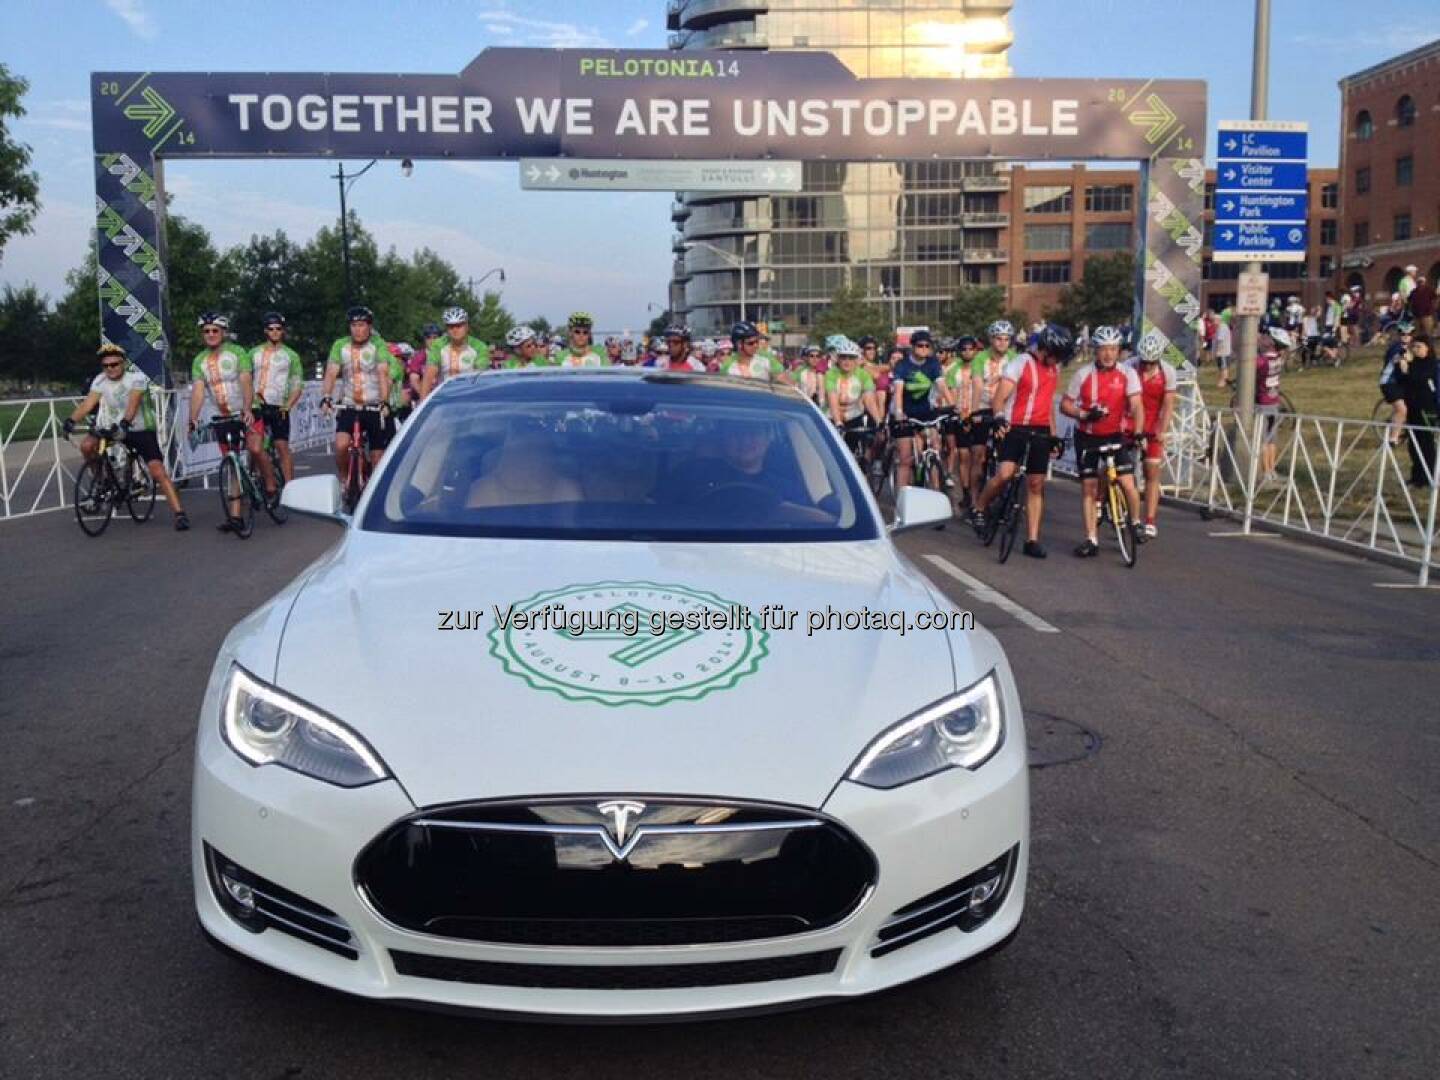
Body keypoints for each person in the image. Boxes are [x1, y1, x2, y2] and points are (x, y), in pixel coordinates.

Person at [972, 323, 1075, 559]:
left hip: (1039, 429)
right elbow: (1000, 397)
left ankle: (1032, 539)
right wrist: (998, 417)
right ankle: (979, 506)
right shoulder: (1021, 363)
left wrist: (1054, 434)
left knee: (1036, 484)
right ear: (1046, 348)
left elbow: (1048, 403)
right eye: (1056, 355)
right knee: (1005, 474)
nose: (1058, 360)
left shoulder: (1054, 369)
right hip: (1014, 426)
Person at [65, 343, 189, 530]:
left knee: (157, 471)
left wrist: (125, 423)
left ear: (123, 363)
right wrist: (70, 421)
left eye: (114, 364)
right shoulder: (100, 380)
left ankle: (179, 513)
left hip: (139, 428)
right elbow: (87, 404)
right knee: (87, 446)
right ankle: (102, 481)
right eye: (106, 366)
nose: (110, 369)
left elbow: (133, 404)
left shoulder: (136, 379)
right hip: (111, 427)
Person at [1060, 326, 1144, 556]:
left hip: (1115, 435)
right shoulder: (1083, 374)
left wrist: (1137, 431)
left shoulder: (1128, 374)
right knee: (1089, 487)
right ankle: (1091, 539)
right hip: (1087, 437)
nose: (1108, 354)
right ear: (1096, 350)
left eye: (1113, 349)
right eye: (1104, 349)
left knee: (1128, 483)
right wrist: (1084, 415)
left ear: (1119, 351)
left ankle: (1136, 522)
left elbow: (1136, 405)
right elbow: (1065, 404)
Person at [187, 312, 254, 531]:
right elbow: (198, 392)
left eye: (215, 331)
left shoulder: (237, 352)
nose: (211, 335)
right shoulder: (199, 360)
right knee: (232, 461)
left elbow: (245, 382)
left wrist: (246, 408)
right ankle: (236, 517)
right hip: (224, 415)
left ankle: (268, 486)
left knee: (256, 450)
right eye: (206, 331)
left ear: (224, 333)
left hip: (246, 409)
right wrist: (193, 418)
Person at [322, 306, 391, 482]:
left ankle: (372, 490)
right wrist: (326, 397)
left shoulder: (378, 345)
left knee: (377, 458)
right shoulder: (340, 345)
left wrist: (384, 401)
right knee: (341, 445)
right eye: (353, 325)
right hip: (349, 403)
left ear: (369, 326)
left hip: (374, 404)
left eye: (361, 325)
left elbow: (383, 373)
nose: (357, 330)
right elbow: (331, 372)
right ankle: (345, 479)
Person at [888, 329, 951, 490]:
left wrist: (953, 406)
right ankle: (903, 495)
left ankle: (936, 489)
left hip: (925, 411)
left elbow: (942, 385)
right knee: (906, 458)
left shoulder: (933, 363)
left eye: (927, 346)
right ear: (912, 347)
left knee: (935, 445)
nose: (924, 349)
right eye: (920, 345)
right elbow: (899, 392)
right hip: (905, 412)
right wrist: (899, 413)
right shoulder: (902, 366)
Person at [248, 312, 303, 496]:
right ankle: (253, 480)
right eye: (271, 329)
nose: (275, 332)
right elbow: (245, 379)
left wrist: (288, 405)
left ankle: (290, 490)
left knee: (281, 446)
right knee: (254, 448)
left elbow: (297, 384)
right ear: (265, 331)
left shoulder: (291, 355)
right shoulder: (253, 353)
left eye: (278, 329)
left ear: (283, 331)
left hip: (279, 406)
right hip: (256, 405)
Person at [1129, 337, 1178, 538]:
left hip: (1152, 426)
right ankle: (1122, 510)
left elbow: (1168, 405)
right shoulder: (1129, 367)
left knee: (1152, 471)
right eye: (1144, 362)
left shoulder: (1168, 372)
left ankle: (1149, 520)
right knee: (1125, 473)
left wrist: (1162, 430)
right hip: (1130, 423)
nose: (1147, 366)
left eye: (1152, 362)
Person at [1383, 334, 1438, 487]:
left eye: (1419, 347)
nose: (1416, 349)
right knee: (1413, 444)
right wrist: (1400, 366)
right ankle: (1417, 476)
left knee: (1426, 443)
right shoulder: (1412, 363)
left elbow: (1419, 379)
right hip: (1412, 407)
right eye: (1414, 346)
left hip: (1426, 408)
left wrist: (1407, 369)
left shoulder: (1431, 364)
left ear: (1428, 348)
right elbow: (1402, 380)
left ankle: (1429, 476)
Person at [827, 338, 882, 462]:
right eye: (843, 357)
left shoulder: (863, 374)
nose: (847, 361)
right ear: (838, 359)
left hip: (854, 417)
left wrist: (879, 420)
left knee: (858, 454)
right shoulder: (831, 374)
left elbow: (869, 400)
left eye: (851, 358)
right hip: (833, 417)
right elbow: (833, 400)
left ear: (857, 359)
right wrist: (838, 422)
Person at [421, 307, 491, 397]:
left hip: (470, 395)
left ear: (466, 326)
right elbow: (428, 376)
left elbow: (478, 376)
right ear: (446, 328)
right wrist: (422, 402)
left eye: (459, 326)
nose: (455, 330)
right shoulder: (438, 345)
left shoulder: (480, 347)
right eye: (451, 327)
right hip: (444, 396)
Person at [1256, 326, 1288, 484]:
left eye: (1266, 337)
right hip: (1274, 402)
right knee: (1272, 439)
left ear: (1271, 342)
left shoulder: (1261, 362)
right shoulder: (1278, 359)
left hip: (1262, 402)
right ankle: (1272, 469)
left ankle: (1265, 471)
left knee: (1262, 440)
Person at [1379, 323, 1416, 444]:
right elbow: (1403, 365)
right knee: (1402, 410)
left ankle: (1406, 430)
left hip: (1401, 382)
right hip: (1389, 383)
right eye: (1403, 334)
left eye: (1409, 334)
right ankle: (1392, 439)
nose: (1406, 336)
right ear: (1399, 335)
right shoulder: (1397, 348)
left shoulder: (1409, 348)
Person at [723, 321, 789, 383]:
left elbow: (787, 383)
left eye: (757, 341)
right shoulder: (727, 365)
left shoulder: (767, 357)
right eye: (751, 343)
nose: (756, 346)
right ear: (739, 344)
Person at [383, 342, 414, 444]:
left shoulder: (397, 369)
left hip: (392, 407)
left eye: (404, 359)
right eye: (401, 358)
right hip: (389, 407)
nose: (403, 362)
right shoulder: (394, 367)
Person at [1214, 315, 1234, 391]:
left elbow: (1220, 339)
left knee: (1223, 367)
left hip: (1223, 351)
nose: (1214, 322)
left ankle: (1223, 381)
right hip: (1221, 351)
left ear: (1219, 320)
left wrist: (1216, 351)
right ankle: (1224, 380)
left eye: (1215, 320)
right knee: (1222, 367)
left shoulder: (1222, 327)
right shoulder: (1220, 327)